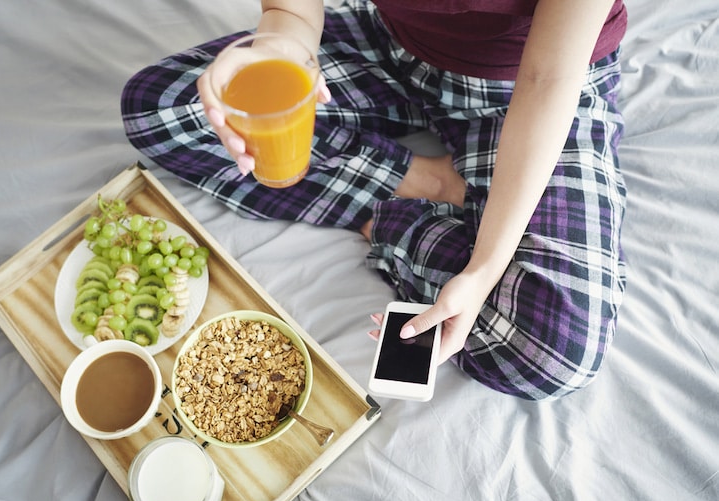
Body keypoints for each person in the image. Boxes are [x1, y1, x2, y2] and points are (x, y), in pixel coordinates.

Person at [121, 0, 628, 401]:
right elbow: (292, 13)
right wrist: (280, 50)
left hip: (531, 85)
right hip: (393, 48)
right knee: (160, 109)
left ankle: (387, 205)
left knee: (555, 352)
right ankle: (425, 184)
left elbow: (548, 79)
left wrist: (483, 269)